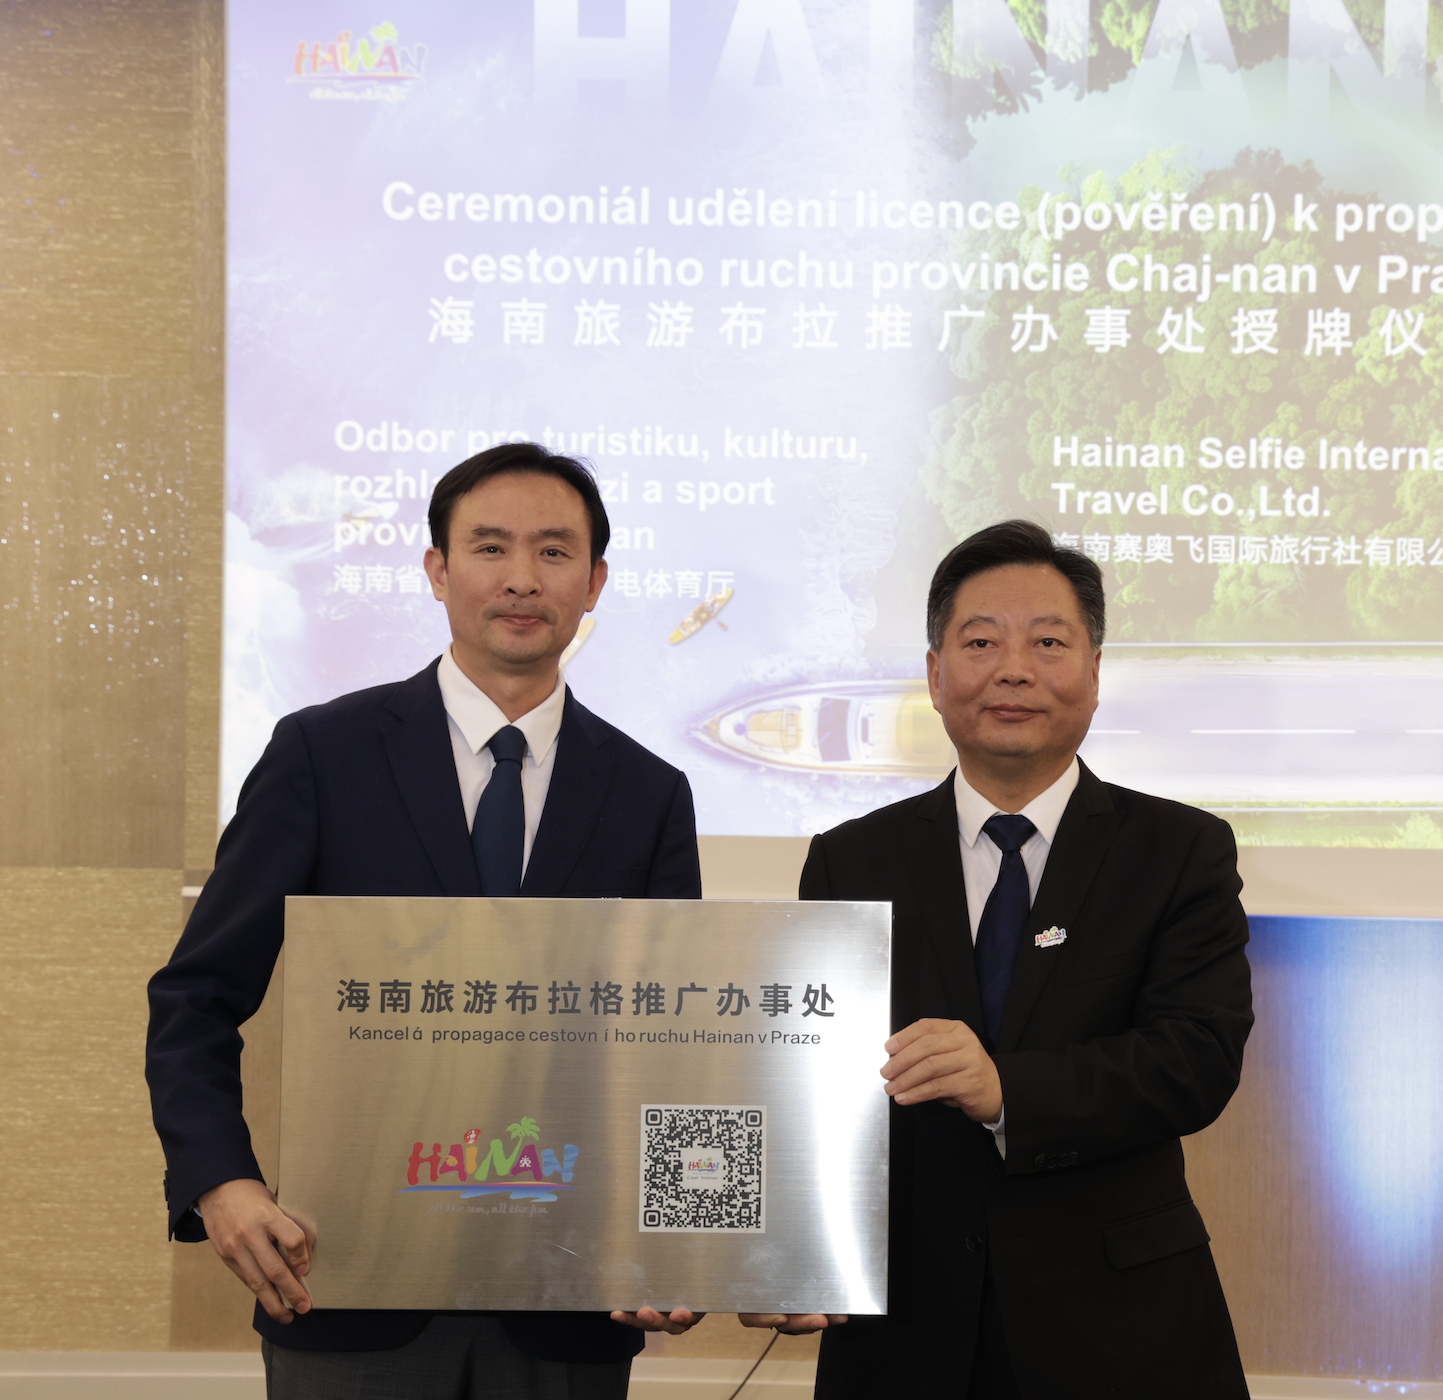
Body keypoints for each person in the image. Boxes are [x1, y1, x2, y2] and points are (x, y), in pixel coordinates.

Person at [145, 443, 703, 1399]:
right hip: (346, 1290)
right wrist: (220, 1182)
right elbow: (195, 996)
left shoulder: (648, 793)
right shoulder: (322, 754)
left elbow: (677, 1048)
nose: (522, 578)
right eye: (490, 548)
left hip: (568, 1309)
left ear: (596, 582)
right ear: (438, 570)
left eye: (554, 552)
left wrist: (682, 1243)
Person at [746, 520, 1254, 1397]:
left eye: (1048, 642)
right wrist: (780, 1250)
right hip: (906, 1329)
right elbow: (805, 1079)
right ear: (935, 674)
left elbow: (1195, 1060)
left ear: (1095, 671)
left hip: (1118, 1328)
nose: (1014, 670)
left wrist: (1006, 1088)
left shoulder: (1178, 850)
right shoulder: (850, 859)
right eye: (981, 642)